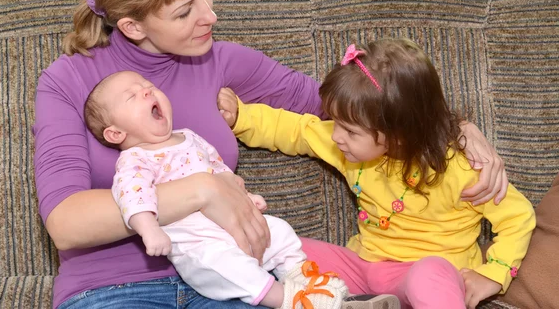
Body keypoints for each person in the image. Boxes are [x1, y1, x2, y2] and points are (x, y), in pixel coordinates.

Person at [32, 0, 509, 309]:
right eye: (184, 11)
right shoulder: (67, 82)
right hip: (112, 290)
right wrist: (204, 190)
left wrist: (453, 127)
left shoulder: (221, 60)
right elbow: (67, 222)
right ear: (133, 26)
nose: (210, 16)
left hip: (236, 283)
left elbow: (360, 99)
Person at [217, 38, 536, 309]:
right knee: (272, 240)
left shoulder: (462, 168)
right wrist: (241, 117)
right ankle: (350, 301)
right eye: (336, 123)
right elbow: (297, 130)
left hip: (423, 273)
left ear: (398, 134)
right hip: (361, 268)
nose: (337, 136)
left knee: (431, 273)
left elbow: (518, 217)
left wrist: (493, 274)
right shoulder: (347, 148)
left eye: (350, 131)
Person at [83, 70, 348, 308]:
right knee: (226, 268)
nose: (147, 90)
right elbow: (132, 195)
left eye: (148, 85)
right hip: (197, 245)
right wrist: (148, 229)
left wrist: (243, 196)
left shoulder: (189, 137)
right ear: (115, 134)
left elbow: (219, 171)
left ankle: (306, 278)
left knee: (278, 231)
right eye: (132, 96)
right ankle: (289, 300)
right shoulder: (135, 159)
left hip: (233, 227)